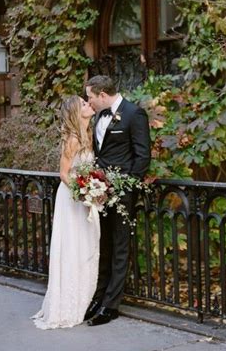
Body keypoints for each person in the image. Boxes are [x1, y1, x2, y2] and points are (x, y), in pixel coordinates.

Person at [84, 74, 151, 326]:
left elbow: (142, 156)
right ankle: (98, 298)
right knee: (104, 246)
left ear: (102, 95)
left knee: (120, 247)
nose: (88, 101)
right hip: (99, 191)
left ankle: (111, 306)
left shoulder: (134, 114)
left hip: (122, 192)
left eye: (90, 97)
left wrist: (126, 186)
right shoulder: (99, 116)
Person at [32, 95, 99, 329]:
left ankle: (84, 299)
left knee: (86, 245)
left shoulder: (89, 135)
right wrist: (83, 193)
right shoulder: (72, 139)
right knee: (72, 246)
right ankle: (68, 304)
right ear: (75, 112)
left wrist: (92, 190)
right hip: (72, 198)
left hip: (84, 197)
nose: (88, 104)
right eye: (83, 104)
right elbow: (64, 173)